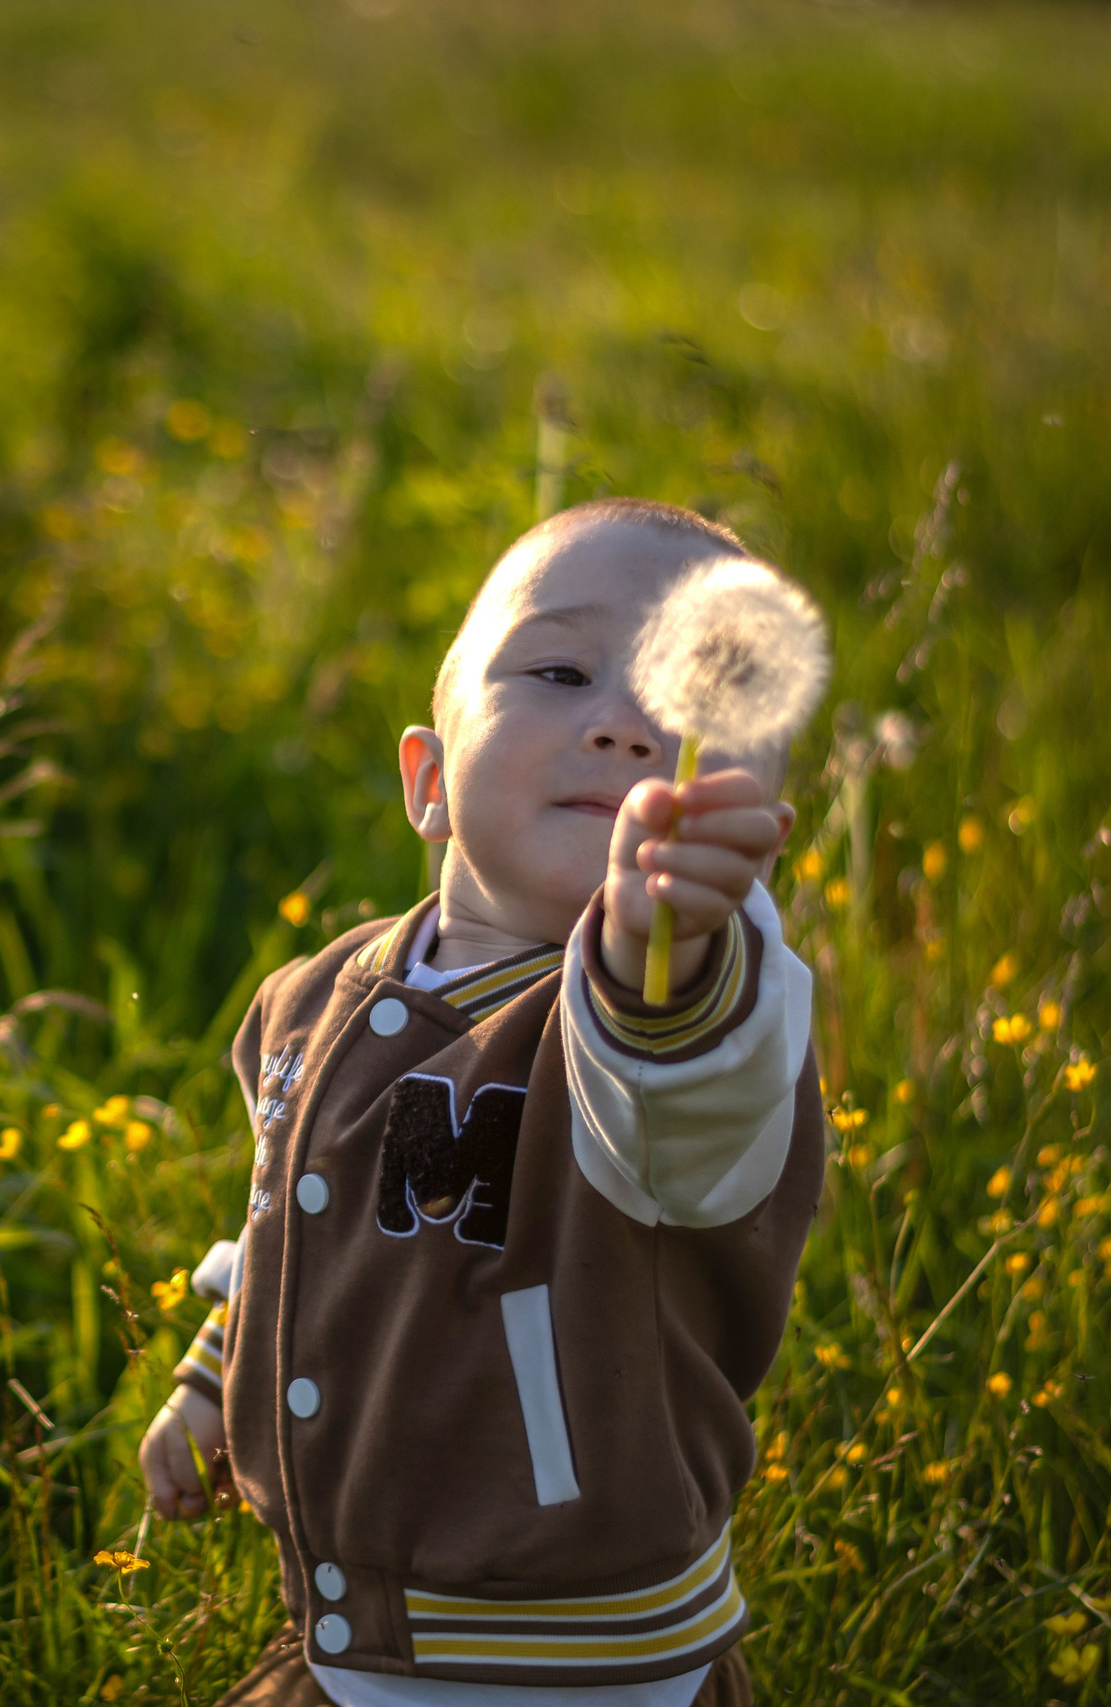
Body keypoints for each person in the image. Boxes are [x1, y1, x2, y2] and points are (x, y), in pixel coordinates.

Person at [136, 498, 826, 1707]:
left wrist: (668, 945)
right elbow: (291, 1232)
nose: (624, 727)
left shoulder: (661, 1021)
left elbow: (678, 1092)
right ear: (431, 777)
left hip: (577, 1672)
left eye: (695, 712)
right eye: (561, 671)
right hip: (345, 1646)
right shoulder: (313, 997)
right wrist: (209, 1378)